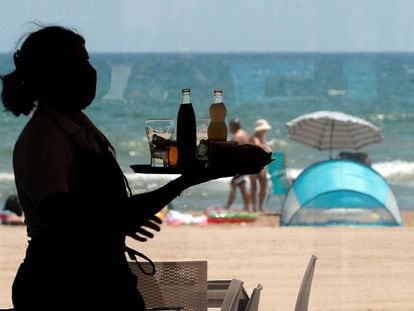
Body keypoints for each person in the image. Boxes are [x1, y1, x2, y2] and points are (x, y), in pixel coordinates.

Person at [0, 25, 228, 310]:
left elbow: (97, 214)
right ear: (54, 74)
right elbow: (63, 218)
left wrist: (124, 217)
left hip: (102, 278)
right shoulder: (42, 138)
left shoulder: (82, 128)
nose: (90, 72)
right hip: (62, 286)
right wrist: (125, 216)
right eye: (80, 63)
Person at [223, 118, 252, 211]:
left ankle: (227, 207)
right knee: (241, 184)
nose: (229, 128)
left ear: (234, 126)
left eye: (230, 126)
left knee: (233, 183)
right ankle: (247, 207)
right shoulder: (245, 134)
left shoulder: (236, 136)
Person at [249, 119, 272, 213]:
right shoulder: (254, 138)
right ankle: (255, 207)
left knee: (263, 185)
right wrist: (266, 148)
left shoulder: (262, 137)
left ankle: (260, 207)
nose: (265, 131)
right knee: (254, 186)